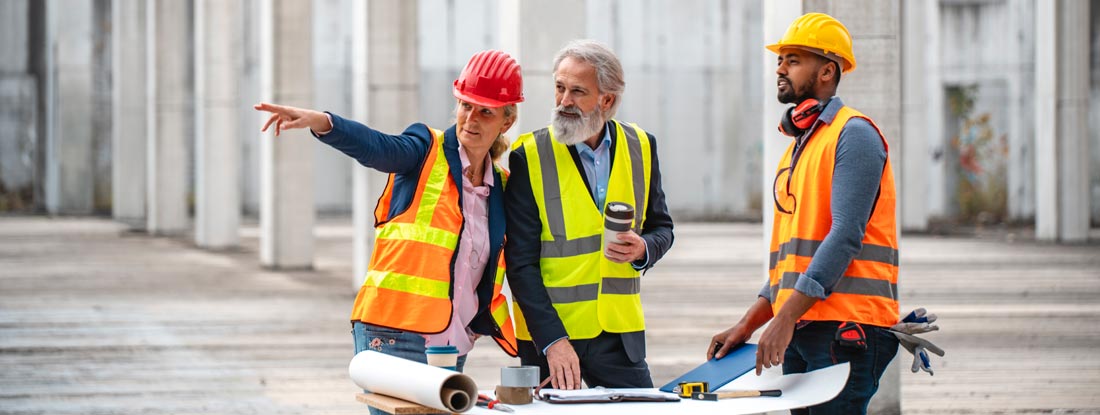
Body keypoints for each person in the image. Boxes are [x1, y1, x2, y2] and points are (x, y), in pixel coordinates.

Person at [254, 50, 522, 397]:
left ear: (506, 121)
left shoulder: (500, 187)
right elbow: (380, 148)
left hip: (452, 344)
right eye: (465, 105)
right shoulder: (425, 150)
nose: (471, 118)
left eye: (486, 111)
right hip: (393, 334)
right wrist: (323, 122)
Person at [707, 13, 900, 414]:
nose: (780, 68)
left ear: (827, 71)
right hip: (808, 327)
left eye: (793, 60)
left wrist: (785, 319)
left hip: (848, 329)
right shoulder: (802, 144)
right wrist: (749, 324)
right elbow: (791, 261)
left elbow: (846, 235)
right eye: (781, 59)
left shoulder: (855, 134)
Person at [505, 40, 674, 390]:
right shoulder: (529, 156)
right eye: (559, 87)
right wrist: (553, 342)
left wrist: (644, 249)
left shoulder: (642, 146)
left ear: (607, 100)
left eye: (577, 91)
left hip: (619, 337)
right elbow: (519, 264)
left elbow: (662, 228)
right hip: (550, 339)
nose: (564, 101)